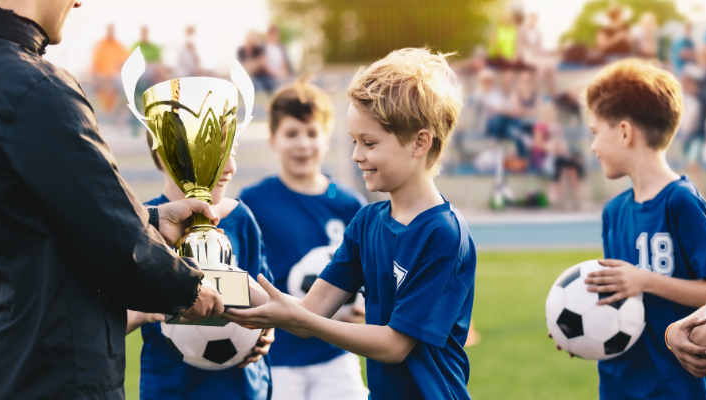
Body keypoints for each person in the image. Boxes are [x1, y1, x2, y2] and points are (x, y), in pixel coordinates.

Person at [0, 2, 230, 399]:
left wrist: (151, 220)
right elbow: (114, 236)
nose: (78, 2)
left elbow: (22, 215)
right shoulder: (36, 86)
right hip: (50, 367)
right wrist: (189, 288)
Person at [226, 47, 476, 400]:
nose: (357, 155)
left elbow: (393, 345)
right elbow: (312, 308)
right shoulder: (367, 222)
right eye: (354, 141)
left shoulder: (443, 235)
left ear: (420, 142)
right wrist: (217, 284)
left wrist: (297, 319)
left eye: (369, 143)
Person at [555, 59, 706, 400]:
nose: (592, 147)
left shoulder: (681, 202)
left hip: (674, 385)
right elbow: (618, 296)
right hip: (618, 381)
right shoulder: (614, 212)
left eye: (595, 133)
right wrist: (578, 326)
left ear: (624, 131)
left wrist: (645, 280)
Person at [239, 79, 369, 400]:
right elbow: (243, 276)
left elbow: (368, 273)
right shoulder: (253, 201)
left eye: (312, 133)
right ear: (273, 139)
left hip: (336, 353)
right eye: (292, 134)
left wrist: (362, 303)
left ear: (326, 139)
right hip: (278, 356)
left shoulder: (349, 204)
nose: (303, 144)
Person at [127, 139, 274, 400]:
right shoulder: (141, 224)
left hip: (243, 389)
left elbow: (269, 300)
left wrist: (268, 329)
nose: (230, 166)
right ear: (167, 157)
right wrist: (153, 309)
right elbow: (109, 318)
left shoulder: (242, 219)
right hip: (171, 390)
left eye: (232, 152)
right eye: (213, 155)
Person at [92, 23, 128, 114]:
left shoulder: (118, 45)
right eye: (109, 30)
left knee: (124, 89)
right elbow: (95, 64)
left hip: (115, 76)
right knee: (108, 87)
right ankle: (109, 112)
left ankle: (117, 114)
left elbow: (126, 60)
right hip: (102, 75)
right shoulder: (100, 45)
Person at [238, 30, 276, 95]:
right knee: (258, 89)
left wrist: (252, 64)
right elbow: (245, 67)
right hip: (252, 78)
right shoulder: (241, 51)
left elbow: (263, 62)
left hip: (264, 76)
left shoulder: (259, 49)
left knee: (275, 86)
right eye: (252, 37)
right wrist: (257, 63)